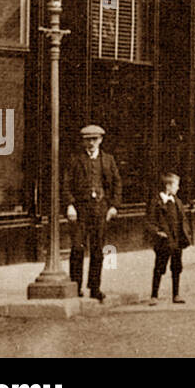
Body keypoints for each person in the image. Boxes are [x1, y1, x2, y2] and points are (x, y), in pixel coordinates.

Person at [63, 124, 122, 302]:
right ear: (83, 141)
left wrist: (113, 206)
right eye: (88, 140)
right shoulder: (75, 160)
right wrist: (70, 205)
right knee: (77, 248)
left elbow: (117, 184)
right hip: (80, 210)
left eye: (94, 139)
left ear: (101, 140)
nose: (91, 143)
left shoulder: (108, 160)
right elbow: (66, 184)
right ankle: (76, 285)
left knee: (97, 250)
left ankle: (95, 287)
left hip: (100, 210)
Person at [145, 171, 190, 305]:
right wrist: (157, 232)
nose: (178, 188)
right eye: (176, 185)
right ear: (168, 186)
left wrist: (185, 235)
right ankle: (154, 295)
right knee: (159, 267)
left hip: (176, 240)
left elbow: (183, 220)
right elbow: (149, 221)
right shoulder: (156, 202)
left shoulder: (177, 201)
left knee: (176, 267)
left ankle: (176, 294)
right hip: (164, 240)